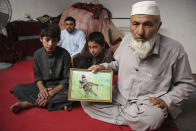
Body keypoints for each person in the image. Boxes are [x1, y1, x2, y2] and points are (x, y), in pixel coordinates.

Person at [81, 1, 196, 131]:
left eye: (147, 24)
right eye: (135, 24)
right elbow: (118, 64)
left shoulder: (174, 50)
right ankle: (132, 119)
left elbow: (187, 83)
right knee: (86, 99)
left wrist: (167, 101)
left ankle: (130, 116)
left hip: (147, 104)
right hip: (119, 96)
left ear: (158, 26)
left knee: (152, 118)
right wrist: (104, 67)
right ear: (130, 24)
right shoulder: (126, 40)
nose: (140, 32)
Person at [10, 24, 73, 113]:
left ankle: (29, 103)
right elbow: (38, 77)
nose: (50, 44)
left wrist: (52, 92)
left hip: (60, 87)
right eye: (47, 40)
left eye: (54, 41)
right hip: (45, 86)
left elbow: (67, 79)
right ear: (41, 39)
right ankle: (59, 104)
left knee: (75, 94)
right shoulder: (37, 54)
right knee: (18, 88)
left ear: (58, 40)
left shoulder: (65, 55)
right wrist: (42, 89)